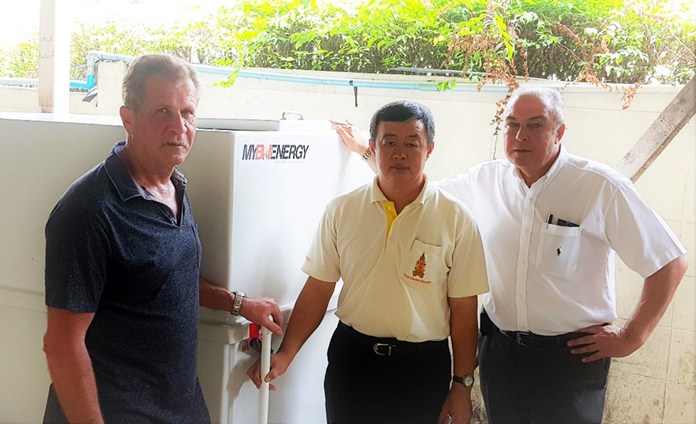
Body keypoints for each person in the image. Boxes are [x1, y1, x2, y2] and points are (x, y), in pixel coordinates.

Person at [335, 86, 688, 424]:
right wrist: (369, 152)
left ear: (559, 131)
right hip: (500, 354)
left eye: (535, 126)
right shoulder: (486, 180)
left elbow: (669, 261)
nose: (521, 136)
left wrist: (632, 337)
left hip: (571, 358)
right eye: (513, 125)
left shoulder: (599, 187)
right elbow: (421, 193)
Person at [42, 54, 283, 424]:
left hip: (181, 407)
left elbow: (162, 277)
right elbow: (61, 346)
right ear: (128, 119)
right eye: (162, 112)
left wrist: (239, 304)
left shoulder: (174, 187)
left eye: (188, 112)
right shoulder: (89, 211)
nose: (179, 126)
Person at [247, 101, 489, 424]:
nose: (399, 153)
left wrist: (462, 384)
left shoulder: (456, 219)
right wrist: (286, 353)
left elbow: (463, 311)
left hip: (420, 367)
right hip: (352, 361)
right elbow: (318, 289)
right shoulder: (343, 210)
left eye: (411, 143)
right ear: (373, 147)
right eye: (389, 142)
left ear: (429, 149)